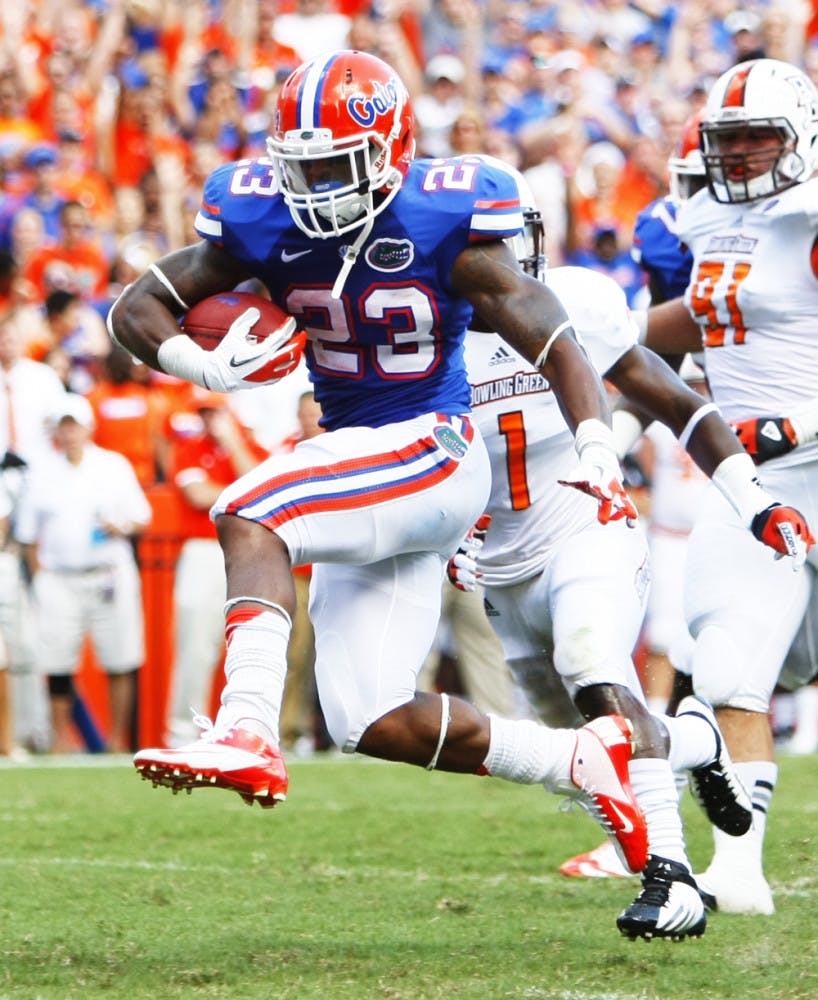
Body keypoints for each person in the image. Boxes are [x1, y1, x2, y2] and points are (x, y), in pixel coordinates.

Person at [109, 49, 655, 915]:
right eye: (303, 166)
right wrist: (197, 365)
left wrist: (594, 438)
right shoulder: (261, 220)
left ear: (390, 150)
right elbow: (136, 305)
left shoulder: (442, 216)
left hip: (431, 447)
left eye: (335, 165)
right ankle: (574, 759)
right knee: (369, 719)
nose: (317, 186)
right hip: (365, 468)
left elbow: (549, 332)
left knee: (250, 507)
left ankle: (245, 722)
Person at [448, 172, 809, 939]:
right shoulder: (424, 337)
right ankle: (698, 743)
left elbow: (679, 404)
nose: (500, 257)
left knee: (595, 672)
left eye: (507, 239)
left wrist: (755, 501)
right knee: (575, 751)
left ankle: (670, 878)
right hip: (502, 564)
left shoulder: (577, 302)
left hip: (588, 529)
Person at [637, 58, 818, 915]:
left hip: (811, 452)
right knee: (728, 664)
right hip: (748, 473)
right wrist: (595, 347)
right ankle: (739, 873)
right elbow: (711, 316)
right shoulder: (704, 213)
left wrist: (805, 422)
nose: (741, 154)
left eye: (759, 137)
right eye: (728, 139)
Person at [15, 393, 152, 753]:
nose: (71, 433)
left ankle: (116, 741)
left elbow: (142, 517)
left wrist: (121, 526)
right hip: (59, 576)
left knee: (120, 657)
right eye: (65, 426)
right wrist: (38, 577)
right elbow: (28, 535)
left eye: (75, 425)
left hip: (109, 572)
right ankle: (60, 741)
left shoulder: (114, 465)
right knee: (57, 660)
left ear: (89, 428)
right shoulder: (42, 472)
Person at [164, 386, 270, 748]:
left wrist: (233, 443)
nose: (209, 420)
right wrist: (240, 493)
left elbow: (263, 489)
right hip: (203, 551)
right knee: (195, 645)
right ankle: (182, 732)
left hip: (246, 555)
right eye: (205, 413)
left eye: (215, 412)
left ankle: (247, 730)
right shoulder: (189, 448)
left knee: (251, 647)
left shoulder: (251, 450)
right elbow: (197, 494)